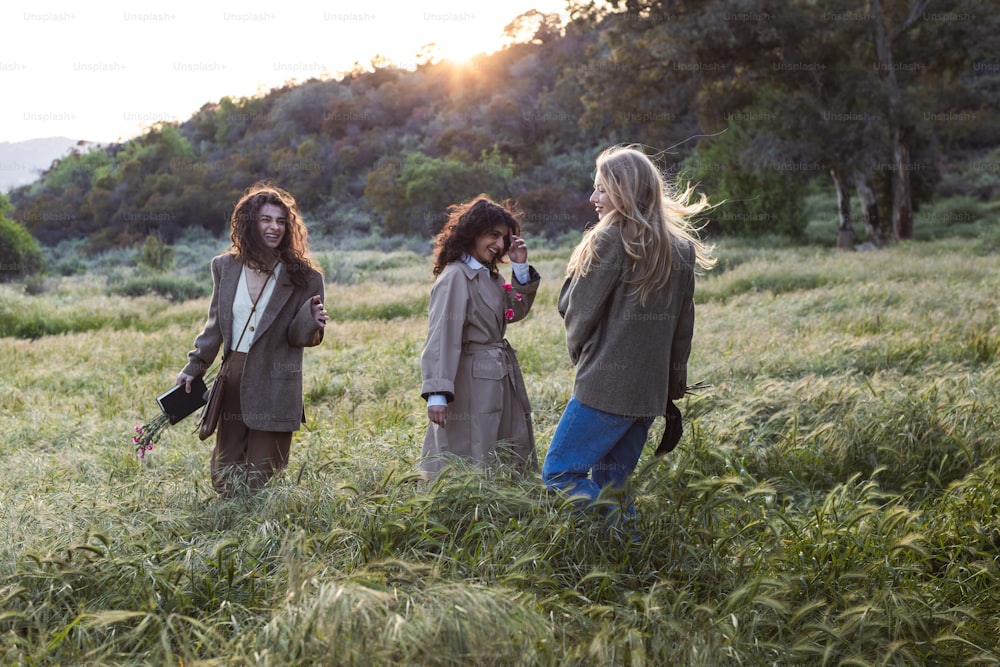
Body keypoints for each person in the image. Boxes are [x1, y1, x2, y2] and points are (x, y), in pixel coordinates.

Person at [541, 145, 715, 522]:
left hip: (605, 387)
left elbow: (576, 311)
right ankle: (628, 552)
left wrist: (582, 357)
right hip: (648, 393)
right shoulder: (681, 249)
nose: (593, 198)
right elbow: (683, 330)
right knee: (613, 483)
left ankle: (626, 538)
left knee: (559, 473)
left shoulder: (609, 240)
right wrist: (672, 385)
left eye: (601, 189)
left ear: (624, 191)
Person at [176, 181, 328, 496]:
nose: (275, 227)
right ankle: (227, 527)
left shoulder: (306, 278)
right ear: (249, 223)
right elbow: (216, 325)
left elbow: (302, 338)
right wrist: (194, 367)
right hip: (233, 375)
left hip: (277, 376)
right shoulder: (225, 267)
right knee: (225, 470)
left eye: (281, 221)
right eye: (266, 219)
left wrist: (311, 323)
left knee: (264, 473)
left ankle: (259, 532)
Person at [419, 195, 542, 478]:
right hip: (469, 379)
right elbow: (441, 335)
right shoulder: (455, 276)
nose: (499, 245)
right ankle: (464, 506)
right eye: (493, 235)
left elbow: (513, 313)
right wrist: (437, 392)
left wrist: (520, 268)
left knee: (501, 445)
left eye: (505, 239)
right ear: (473, 233)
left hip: (498, 374)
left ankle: (502, 504)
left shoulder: (491, 276)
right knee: (470, 448)